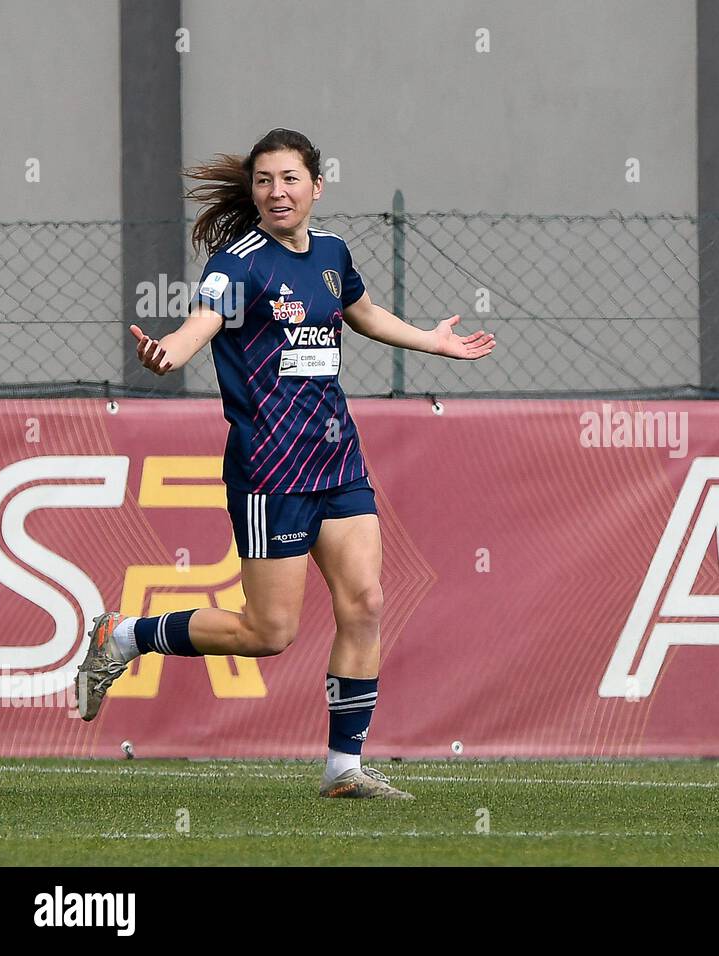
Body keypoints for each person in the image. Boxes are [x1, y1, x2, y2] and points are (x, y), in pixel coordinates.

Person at [76, 128, 495, 799]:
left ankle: (343, 769)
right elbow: (200, 324)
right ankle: (123, 635)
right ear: (254, 190)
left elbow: (361, 313)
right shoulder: (236, 264)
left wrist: (433, 343)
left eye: (290, 179)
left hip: (339, 460)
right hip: (272, 471)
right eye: (265, 180)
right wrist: (171, 354)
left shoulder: (332, 254)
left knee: (366, 603)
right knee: (268, 633)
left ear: (316, 186)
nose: (277, 192)